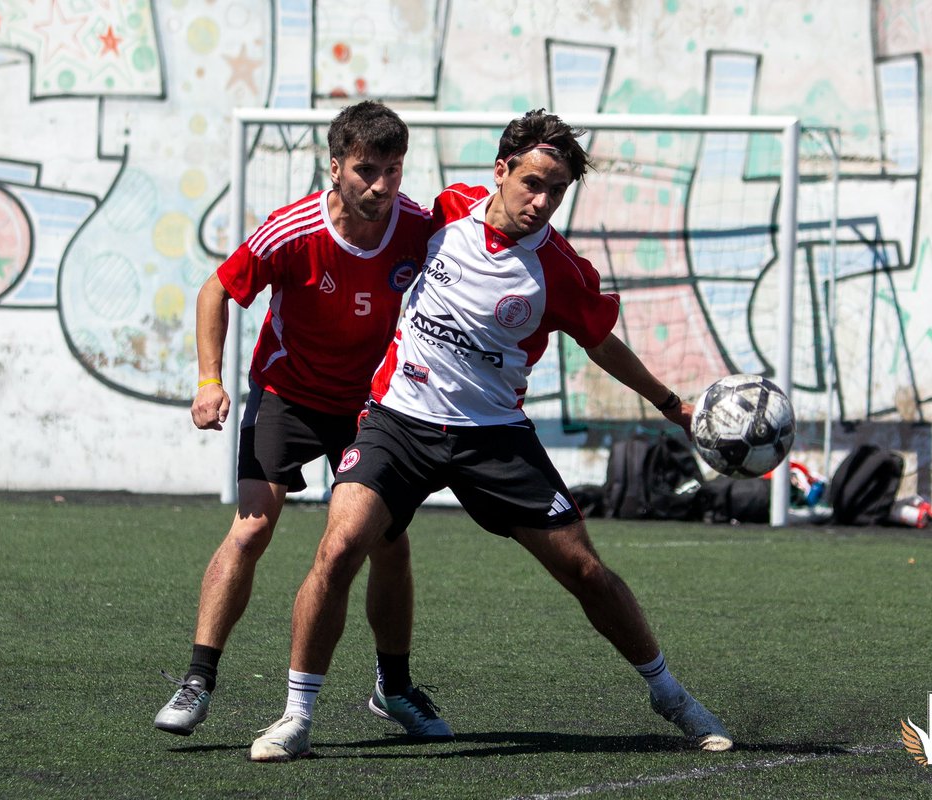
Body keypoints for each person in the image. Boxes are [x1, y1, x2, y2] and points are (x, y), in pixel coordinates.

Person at [248, 109, 732, 762]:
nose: (542, 201)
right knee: (337, 553)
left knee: (585, 570)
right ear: (500, 172)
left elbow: (601, 342)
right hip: (398, 421)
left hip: (494, 437)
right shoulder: (444, 214)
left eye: (556, 191)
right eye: (532, 183)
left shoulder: (558, 269)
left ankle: (671, 695)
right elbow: (366, 234)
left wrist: (671, 403)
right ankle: (296, 716)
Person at [155, 100, 452, 741]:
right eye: (367, 170)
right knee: (252, 530)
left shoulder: (418, 229)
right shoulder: (293, 230)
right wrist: (209, 381)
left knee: (389, 542)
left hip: (371, 408)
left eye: (394, 171)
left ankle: (394, 688)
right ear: (336, 165)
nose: (381, 186)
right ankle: (198, 679)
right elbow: (216, 290)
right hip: (285, 395)